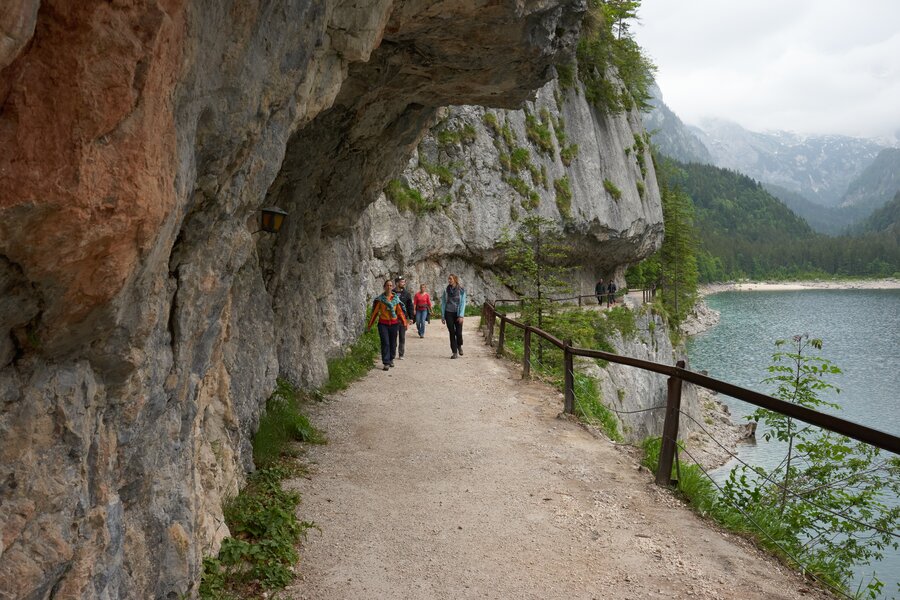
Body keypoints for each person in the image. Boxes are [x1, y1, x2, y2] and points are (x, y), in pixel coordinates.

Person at [367, 279, 408, 371]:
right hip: (383, 324)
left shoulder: (396, 299)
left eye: (390, 285)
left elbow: (400, 312)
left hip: (394, 324)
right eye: (387, 285)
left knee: (393, 343)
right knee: (385, 342)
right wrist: (370, 325)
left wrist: (404, 323)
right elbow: (375, 313)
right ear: (384, 287)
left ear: (392, 287)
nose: (389, 287)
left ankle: (391, 359)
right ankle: (386, 362)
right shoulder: (380, 300)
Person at [441, 273, 467, 359]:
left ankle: (459, 345)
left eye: (450, 279)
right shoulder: (446, 290)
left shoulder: (461, 290)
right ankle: (454, 352)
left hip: (458, 313)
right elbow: (444, 303)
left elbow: (463, 303)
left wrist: (461, 316)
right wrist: (443, 316)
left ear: (455, 280)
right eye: (448, 279)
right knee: (452, 332)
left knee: (458, 333)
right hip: (448, 313)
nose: (449, 280)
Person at [394, 276, 414, 358]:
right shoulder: (392, 293)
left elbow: (410, 306)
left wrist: (411, 318)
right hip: (393, 318)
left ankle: (401, 353)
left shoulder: (407, 294)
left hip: (403, 318)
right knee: (393, 336)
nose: (403, 283)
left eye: (404, 282)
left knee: (402, 336)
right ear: (397, 283)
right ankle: (392, 352)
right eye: (401, 282)